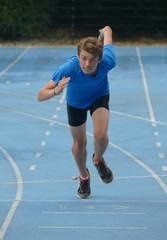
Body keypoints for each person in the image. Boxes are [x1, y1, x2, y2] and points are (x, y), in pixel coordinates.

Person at [37, 26, 116, 198]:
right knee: (80, 145)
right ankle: (84, 177)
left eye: (93, 60)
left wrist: (102, 34)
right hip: (76, 104)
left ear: (100, 59)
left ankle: (98, 160)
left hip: (99, 98)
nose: (87, 64)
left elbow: (108, 30)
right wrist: (55, 92)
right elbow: (40, 95)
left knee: (101, 137)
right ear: (78, 56)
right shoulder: (69, 68)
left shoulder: (108, 60)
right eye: (83, 58)